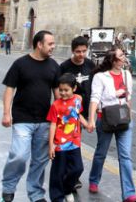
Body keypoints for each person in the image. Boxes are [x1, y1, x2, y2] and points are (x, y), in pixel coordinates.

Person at [0, 30, 61, 202]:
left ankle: (35, 193)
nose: (53, 47)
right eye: (50, 44)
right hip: (22, 119)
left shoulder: (54, 66)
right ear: (39, 44)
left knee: (40, 161)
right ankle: (9, 186)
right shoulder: (20, 64)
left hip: (45, 121)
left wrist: (60, 121)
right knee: (19, 155)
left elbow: (57, 96)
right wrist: (6, 113)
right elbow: (9, 88)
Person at [87, 48, 136, 202]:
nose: (124, 58)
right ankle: (94, 180)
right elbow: (95, 98)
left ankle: (129, 193)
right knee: (101, 152)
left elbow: (128, 97)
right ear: (113, 60)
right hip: (105, 118)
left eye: (123, 55)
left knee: (125, 156)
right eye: (121, 56)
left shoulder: (127, 75)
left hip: (124, 118)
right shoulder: (100, 77)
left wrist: (130, 115)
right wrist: (91, 119)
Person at [59, 36, 96, 191]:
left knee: (75, 142)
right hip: (70, 113)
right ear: (72, 51)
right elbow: (59, 91)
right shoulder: (64, 66)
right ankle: (71, 177)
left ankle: (72, 175)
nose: (81, 54)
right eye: (78, 52)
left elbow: (95, 86)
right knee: (71, 143)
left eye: (84, 51)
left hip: (87, 109)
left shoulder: (90, 64)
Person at [47, 73, 90, 202]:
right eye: (61, 90)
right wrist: (51, 146)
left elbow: (77, 114)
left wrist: (86, 124)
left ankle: (66, 189)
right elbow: (53, 125)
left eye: (66, 90)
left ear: (74, 88)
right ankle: (57, 197)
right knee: (58, 172)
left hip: (75, 142)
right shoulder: (56, 105)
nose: (63, 93)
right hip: (60, 144)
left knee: (78, 168)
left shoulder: (77, 100)